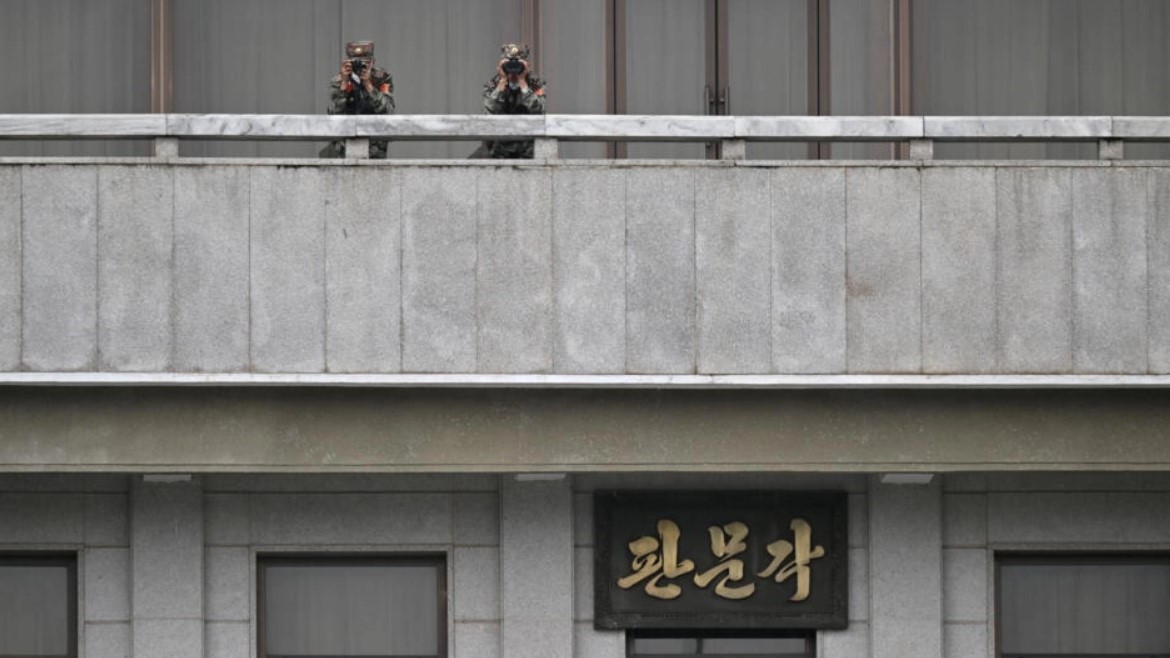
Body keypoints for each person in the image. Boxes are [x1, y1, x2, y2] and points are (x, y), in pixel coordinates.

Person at [321, 40, 394, 159]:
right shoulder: (339, 80)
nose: (360, 66)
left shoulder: (381, 78)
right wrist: (344, 84)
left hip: (374, 145)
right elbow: (333, 113)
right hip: (344, 144)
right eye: (355, 62)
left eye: (365, 62)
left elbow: (388, 111)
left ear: (373, 63)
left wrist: (368, 85)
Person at [481, 43, 546, 159]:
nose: (513, 69)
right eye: (509, 64)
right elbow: (489, 114)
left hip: (529, 149)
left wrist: (523, 83)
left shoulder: (535, 84)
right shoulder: (493, 85)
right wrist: (502, 83)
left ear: (526, 66)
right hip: (499, 149)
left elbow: (539, 111)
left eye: (517, 64)